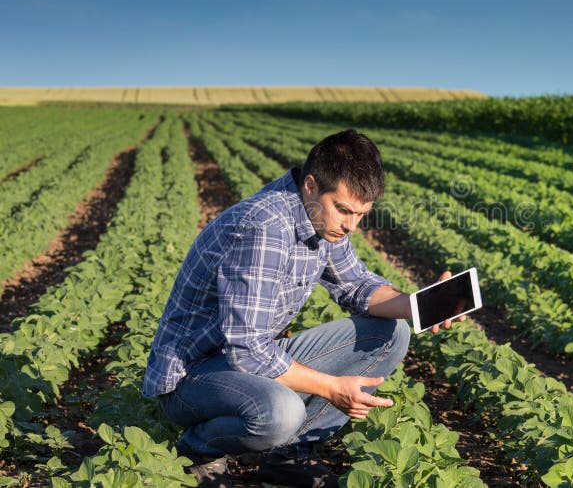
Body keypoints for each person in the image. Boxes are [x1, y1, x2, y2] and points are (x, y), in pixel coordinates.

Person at [142, 129, 460, 488]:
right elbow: (247, 352)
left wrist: (421, 303)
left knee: (390, 333)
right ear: (310, 186)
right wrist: (331, 388)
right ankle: (199, 450)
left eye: (361, 214)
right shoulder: (264, 229)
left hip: (245, 360)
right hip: (192, 378)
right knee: (281, 412)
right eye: (343, 210)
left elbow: (355, 285)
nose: (351, 225)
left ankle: (289, 455)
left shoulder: (322, 220)